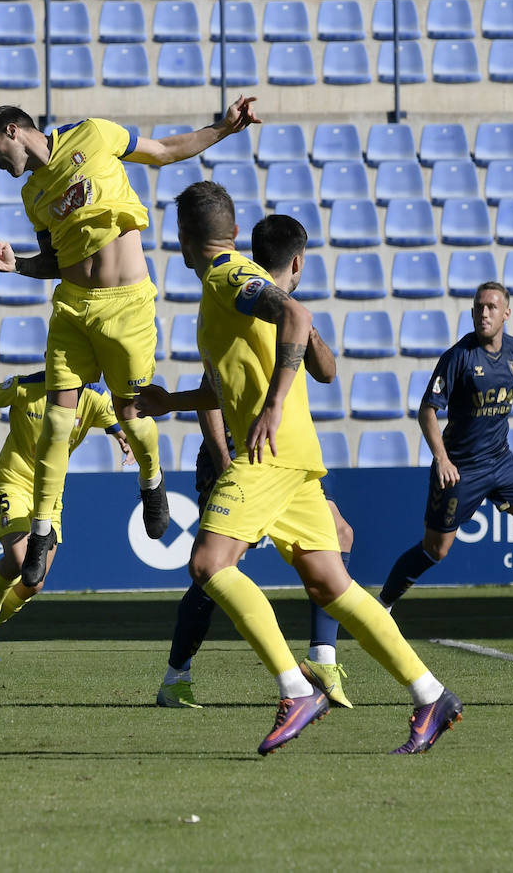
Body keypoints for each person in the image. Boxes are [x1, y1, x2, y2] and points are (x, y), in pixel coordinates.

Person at [136, 184, 462, 755]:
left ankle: (295, 689)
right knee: (331, 585)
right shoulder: (229, 285)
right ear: (233, 232)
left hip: (270, 451)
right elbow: (235, 382)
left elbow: (296, 314)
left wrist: (275, 404)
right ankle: (430, 693)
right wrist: (172, 403)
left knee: (210, 565)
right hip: (295, 458)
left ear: (183, 240)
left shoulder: (225, 277)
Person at [0, 98, 262, 587]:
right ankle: (41, 533)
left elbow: (165, 151)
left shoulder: (92, 133)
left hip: (125, 305)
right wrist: (18, 266)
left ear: (12, 130)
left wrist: (223, 129)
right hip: (72, 308)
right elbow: (54, 260)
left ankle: (152, 478)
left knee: (131, 411)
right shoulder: (32, 198)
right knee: (56, 423)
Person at [379, 282, 513, 638]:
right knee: (436, 549)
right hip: (460, 469)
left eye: (492, 307)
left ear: (506, 313)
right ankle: (380, 608)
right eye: (479, 307)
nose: (484, 313)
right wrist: (442, 459)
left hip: (502, 462)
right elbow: (427, 412)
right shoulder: (459, 357)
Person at [156, 379, 356, 711]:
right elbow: (212, 393)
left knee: (340, 533)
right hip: (239, 454)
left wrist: (310, 334)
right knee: (216, 566)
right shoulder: (235, 327)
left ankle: (322, 658)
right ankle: (176, 677)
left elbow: (328, 372)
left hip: (287, 449)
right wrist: (224, 460)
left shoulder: (293, 327)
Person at [0, 374, 132, 661]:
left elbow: (120, 427)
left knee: (34, 582)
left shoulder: (93, 398)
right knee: (19, 560)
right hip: (11, 482)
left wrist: (128, 441)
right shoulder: (24, 387)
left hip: (49, 496)